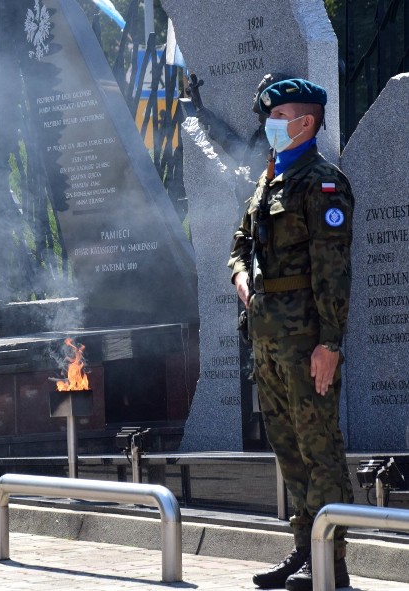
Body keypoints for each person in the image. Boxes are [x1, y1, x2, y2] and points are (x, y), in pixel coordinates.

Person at [228, 79, 354, 591]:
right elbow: (239, 246)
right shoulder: (269, 183)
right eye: (269, 115)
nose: (270, 124)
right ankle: (304, 550)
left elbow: (333, 271)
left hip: (306, 343)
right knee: (287, 448)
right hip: (267, 341)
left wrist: (330, 344)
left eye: (280, 115)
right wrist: (242, 279)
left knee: (319, 449)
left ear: (307, 122)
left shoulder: (323, 184)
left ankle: (332, 563)